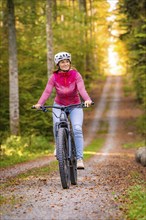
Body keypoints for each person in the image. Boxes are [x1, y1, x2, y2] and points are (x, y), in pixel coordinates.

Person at [33, 52, 92, 169]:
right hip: (59, 105)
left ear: (69, 63)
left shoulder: (76, 75)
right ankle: (59, 146)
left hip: (75, 105)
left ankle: (79, 158)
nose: (65, 64)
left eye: (67, 61)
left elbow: (82, 89)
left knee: (77, 128)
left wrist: (87, 99)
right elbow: (47, 92)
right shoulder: (54, 77)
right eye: (62, 62)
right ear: (58, 65)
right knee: (57, 124)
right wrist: (40, 103)